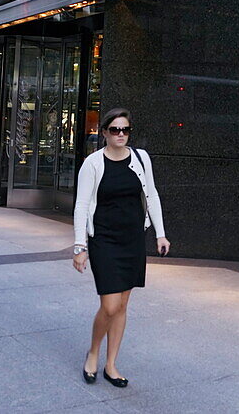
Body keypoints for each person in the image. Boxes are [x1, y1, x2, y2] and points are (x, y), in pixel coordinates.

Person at [72, 108, 169, 388]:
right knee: (110, 304)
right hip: (104, 239)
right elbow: (80, 205)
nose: (121, 135)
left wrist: (160, 235)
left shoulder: (141, 158)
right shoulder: (92, 164)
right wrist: (80, 246)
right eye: (114, 130)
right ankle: (93, 352)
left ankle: (111, 364)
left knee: (123, 304)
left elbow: (151, 195)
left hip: (133, 239)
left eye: (125, 130)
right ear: (104, 133)